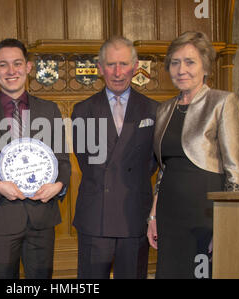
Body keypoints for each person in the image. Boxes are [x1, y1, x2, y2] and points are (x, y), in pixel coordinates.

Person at [0, 38, 71, 279]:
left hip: (42, 217)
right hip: (1, 219)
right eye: (3, 65)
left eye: (17, 64)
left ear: (28, 67)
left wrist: (58, 185)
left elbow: (62, 161)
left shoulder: (49, 111)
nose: (11, 71)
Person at [147, 31, 239, 279]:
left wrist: (225, 226)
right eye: (175, 62)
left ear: (205, 66)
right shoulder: (164, 109)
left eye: (190, 62)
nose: (182, 69)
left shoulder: (223, 102)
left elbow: (235, 171)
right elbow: (163, 169)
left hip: (205, 216)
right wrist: (153, 216)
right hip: (170, 215)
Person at [71, 36, 158, 279]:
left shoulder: (153, 109)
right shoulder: (82, 110)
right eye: (110, 64)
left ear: (135, 65)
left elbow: (152, 163)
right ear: (99, 68)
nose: (118, 72)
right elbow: (88, 162)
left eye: (123, 64)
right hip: (95, 216)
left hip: (134, 215)